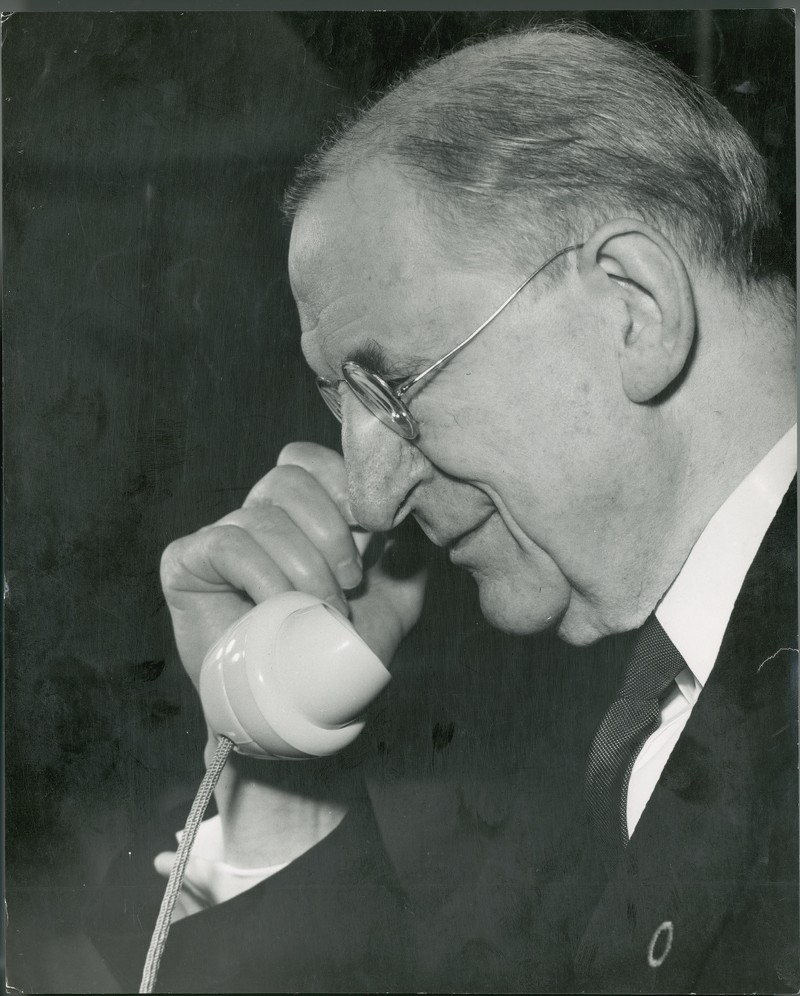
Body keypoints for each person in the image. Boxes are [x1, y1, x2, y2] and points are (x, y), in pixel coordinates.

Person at [90, 23, 797, 993]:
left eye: (391, 387)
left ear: (632, 308)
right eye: (338, 406)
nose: (370, 498)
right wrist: (277, 772)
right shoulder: (647, 708)